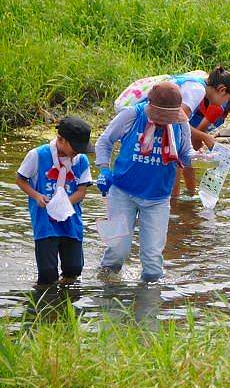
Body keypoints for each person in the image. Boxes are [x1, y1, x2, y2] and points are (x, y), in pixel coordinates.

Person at [95, 81, 193, 282]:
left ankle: (149, 304)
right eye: (160, 116)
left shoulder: (181, 123)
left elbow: (185, 153)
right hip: (122, 192)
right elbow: (105, 141)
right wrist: (104, 168)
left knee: (152, 260)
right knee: (117, 250)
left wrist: (202, 158)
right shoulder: (131, 115)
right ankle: (105, 289)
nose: (163, 121)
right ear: (149, 105)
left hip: (158, 198)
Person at [15, 116, 94, 286]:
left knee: (74, 268)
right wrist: (37, 196)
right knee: (47, 273)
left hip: (71, 221)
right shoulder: (37, 155)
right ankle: (46, 306)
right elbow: (20, 180)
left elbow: (81, 192)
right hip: (45, 223)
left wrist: (63, 203)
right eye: (75, 148)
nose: (78, 153)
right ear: (61, 139)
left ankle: (67, 302)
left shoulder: (81, 160)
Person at [172, 67, 230, 197]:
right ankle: (173, 205)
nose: (225, 103)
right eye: (227, 99)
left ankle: (175, 208)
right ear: (222, 90)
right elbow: (177, 122)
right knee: (174, 165)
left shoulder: (199, 85)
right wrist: (205, 137)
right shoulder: (198, 90)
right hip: (151, 123)